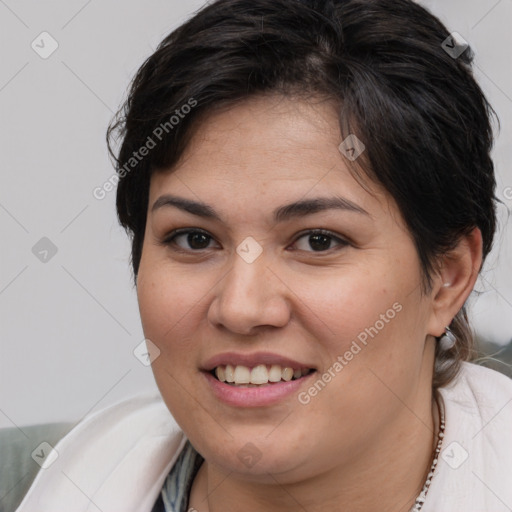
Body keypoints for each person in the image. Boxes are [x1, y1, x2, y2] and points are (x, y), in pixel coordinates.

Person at [15, 0, 512, 511]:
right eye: (194, 238)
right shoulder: (34, 486)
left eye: (318, 240)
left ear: (449, 278)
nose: (241, 308)